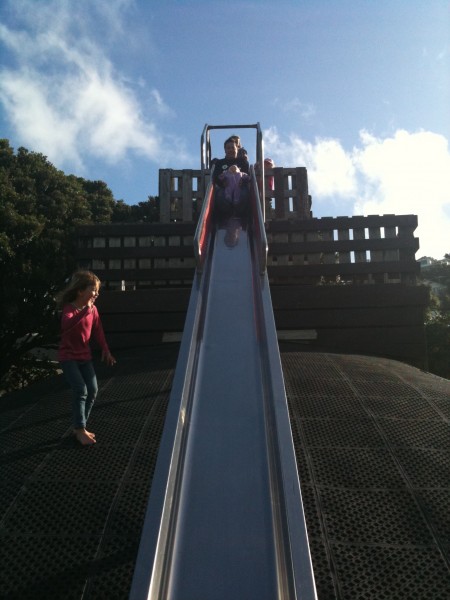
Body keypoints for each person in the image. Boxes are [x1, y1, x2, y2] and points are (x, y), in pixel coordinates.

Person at [56, 270, 116, 446]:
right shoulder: (70, 308)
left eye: (97, 290)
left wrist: (106, 349)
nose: (96, 294)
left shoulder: (93, 309)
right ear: (81, 291)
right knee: (80, 389)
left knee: (93, 389)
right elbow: (67, 325)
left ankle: (79, 426)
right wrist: (85, 311)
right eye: (93, 289)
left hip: (84, 357)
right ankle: (80, 428)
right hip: (68, 357)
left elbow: (98, 330)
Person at [213, 136, 250, 219]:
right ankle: (226, 213)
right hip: (225, 187)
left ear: (237, 148)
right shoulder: (220, 163)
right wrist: (222, 183)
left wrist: (243, 182)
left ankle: (240, 213)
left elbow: (247, 175)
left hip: (239, 187)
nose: (230, 150)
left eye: (232, 148)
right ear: (225, 150)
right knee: (220, 195)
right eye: (228, 148)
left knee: (244, 194)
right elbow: (216, 176)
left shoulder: (242, 162)